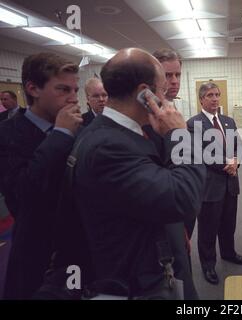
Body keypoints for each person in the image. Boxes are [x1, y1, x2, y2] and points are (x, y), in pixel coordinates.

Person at [71, 48, 205, 299]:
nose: (166, 96)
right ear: (146, 93)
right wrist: (180, 136)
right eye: (163, 90)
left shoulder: (121, 133)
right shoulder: (107, 146)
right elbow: (183, 197)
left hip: (152, 255)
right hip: (135, 281)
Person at [0, 52, 82, 299]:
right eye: (63, 90)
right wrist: (59, 135)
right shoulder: (7, 133)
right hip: (36, 254)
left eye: (75, 90)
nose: (73, 99)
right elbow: (21, 195)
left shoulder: (82, 129)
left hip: (80, 249)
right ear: (33, 89)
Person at [187, 81, 242, 285]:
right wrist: (225, 165)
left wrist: (235, 161)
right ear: (201, 99)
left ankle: (228, 253)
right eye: (210, 95)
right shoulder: (193, 123)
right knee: (208, 227)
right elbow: (200, 153)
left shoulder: (228, 121)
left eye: (217, 95)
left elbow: (237, 145)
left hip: (230, 182)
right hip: (210, 185)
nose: (214, 99)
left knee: (228, 223)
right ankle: (208, 264)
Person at [151, 48, 196, 241]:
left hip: (183, 192)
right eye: (168, 75)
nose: (175, 80)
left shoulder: (173, 107)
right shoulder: (150, 114)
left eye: (177, 74)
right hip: (166, 199)